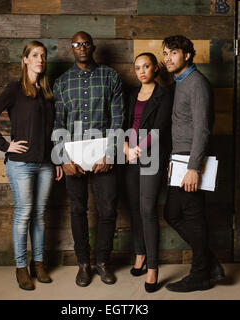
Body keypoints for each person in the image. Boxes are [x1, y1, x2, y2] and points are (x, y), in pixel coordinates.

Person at [0, 41, 63, 291]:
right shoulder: (15, 89)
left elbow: (52, 131)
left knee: (39, 215)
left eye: (43, 56)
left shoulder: (47, 92)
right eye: (35, 55)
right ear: (25, 60)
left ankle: (38, 263)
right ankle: (21, 268)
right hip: (21, 165)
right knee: (24, 214)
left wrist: (57, 158)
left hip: (46, 164)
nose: (40, 59)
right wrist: (5, 145)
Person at [52, 31, 124, 287]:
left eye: (85, 43)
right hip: (73, 160)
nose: (81, 47)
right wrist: (62, 158)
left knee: (107, 210)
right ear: (72, 49)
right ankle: (83, 263)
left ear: (92, 47)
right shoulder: (61, 83)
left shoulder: (110, 77)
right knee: (77, 209)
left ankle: (103, 262)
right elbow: (58, 123)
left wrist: (111, 154)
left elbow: (117, 120)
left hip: (104, 158)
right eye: (76, 44)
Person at [162, 35, 225, 292]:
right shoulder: (181, 82)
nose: (167, 58)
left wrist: (193, 168)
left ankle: (200, 275)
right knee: (172, 214)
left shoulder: (196, 83)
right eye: (165, 53)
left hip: (190, 160)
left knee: (193, 216)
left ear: (187, 55)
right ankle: (209, 263)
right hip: (179, 159)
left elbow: (202, 130)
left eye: (173, 53)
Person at [123, 52, 173, 293]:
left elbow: (160, 128)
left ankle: (153, 267)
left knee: (147, 211)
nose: (141, 71)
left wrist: (137, 150)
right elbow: (124, 124)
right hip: (130, 156)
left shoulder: (164, 94)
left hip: (151, 156)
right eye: (137, 67)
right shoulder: (132, 94)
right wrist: (126, 148)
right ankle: (140, 255)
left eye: (146, 66)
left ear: (155, 68)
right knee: (134, 209)